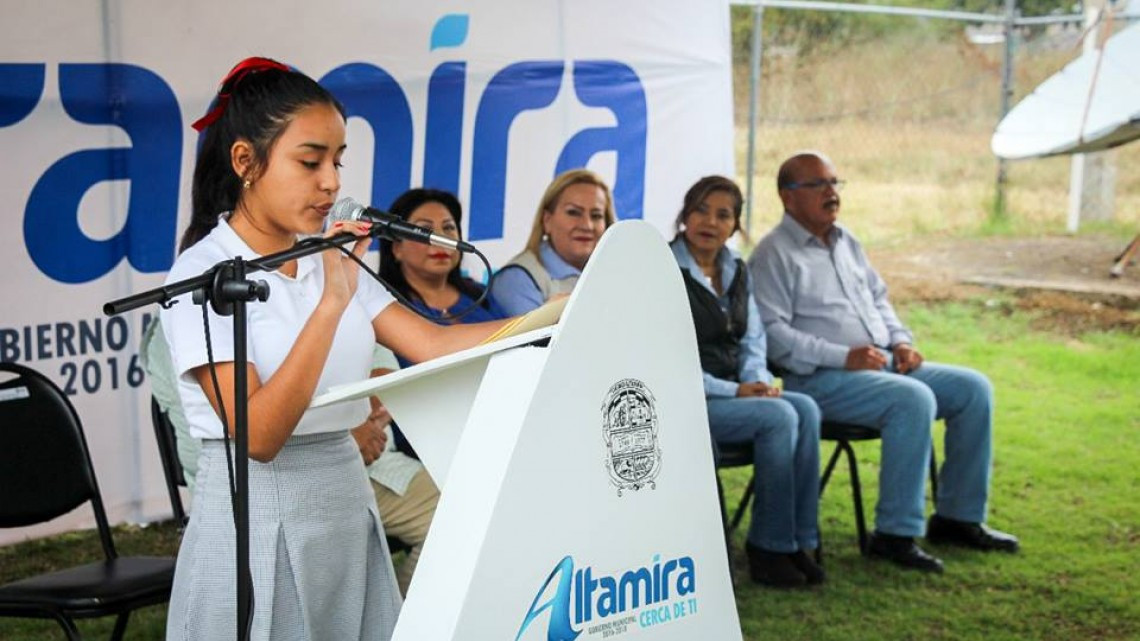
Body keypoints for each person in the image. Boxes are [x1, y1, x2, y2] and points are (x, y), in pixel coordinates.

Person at [161, 57, 508, 640]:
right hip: (260, 512)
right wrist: (329, 305)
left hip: (345, 499)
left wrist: (557, 318)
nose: (332, 182)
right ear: (245, 160)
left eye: (338, 161)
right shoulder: (203, 276)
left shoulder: (329, 258)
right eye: (310, 160)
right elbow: (260, 436)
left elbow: (432, 341)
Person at [748, 151, 1019, 574]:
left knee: (972, 388)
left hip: (882, 365)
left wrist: (902, 341)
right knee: (911, 400)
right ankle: (894, 534)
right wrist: (844, 357)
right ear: (788, 196)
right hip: (819, 380)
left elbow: (879, 300)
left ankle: (958, 518)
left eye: (835, 182)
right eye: (818, 184)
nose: (832, 193)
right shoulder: (773, 255)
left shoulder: (846, 241)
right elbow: (774, 337)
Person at [670, 176, 824, 588]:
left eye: (723, 215)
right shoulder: (664, 268)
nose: (710, 222)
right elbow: (667, 361)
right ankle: (768, 549)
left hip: (734, 396)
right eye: (701, 210)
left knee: (804, 409)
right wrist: (736, 391)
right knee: (777, 418)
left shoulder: (737, 269)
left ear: (735, 226)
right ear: (684, 216)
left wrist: (756, 380)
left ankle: (798, 540)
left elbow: (753, 337)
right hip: (686, 398)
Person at [379, 188, 509, 367]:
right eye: (424, 230)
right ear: (396, 248)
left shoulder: (479, 294)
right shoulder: (384, 306)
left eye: (448, 228)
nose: (440, 238)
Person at [489, 169, 616, 315]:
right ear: (547, 220)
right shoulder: (516, 280)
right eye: (573, 212)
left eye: (596, 215)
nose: (587, 225)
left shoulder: (617, 276)